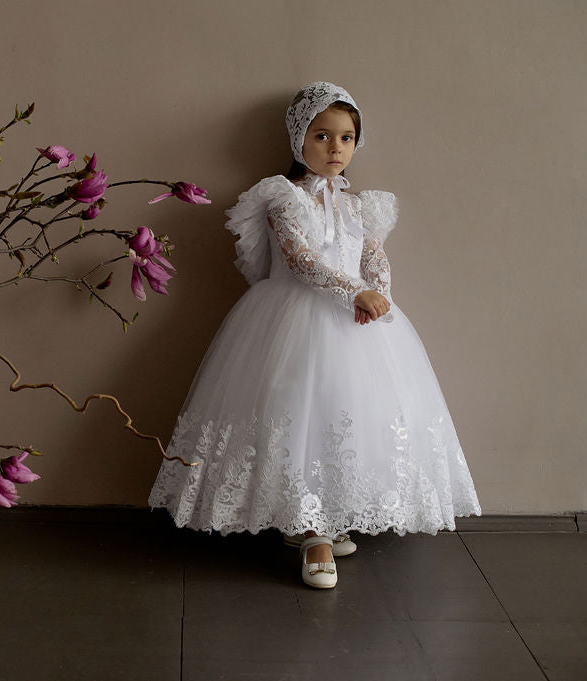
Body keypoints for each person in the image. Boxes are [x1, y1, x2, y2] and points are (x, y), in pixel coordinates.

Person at [148, 82, 481, 589]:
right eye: (322, 136)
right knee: (297, 416)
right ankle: (311, 530)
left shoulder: (359, 206)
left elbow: (373, 254)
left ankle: (329, 514)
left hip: (357, 321)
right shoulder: (285, 197)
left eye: (346, 138)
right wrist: (354, 293)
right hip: (293, 318)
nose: (335, 148)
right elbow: (302, 260)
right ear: (299, 139)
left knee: (350, 415)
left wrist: (379, 294)